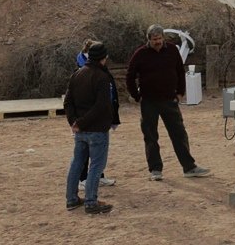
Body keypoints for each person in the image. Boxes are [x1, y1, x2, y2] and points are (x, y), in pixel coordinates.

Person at [126, 24, 210, 181]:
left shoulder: (172, 50)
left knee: (179, 134)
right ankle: (155, 170)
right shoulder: (140, 54)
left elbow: (180, 71)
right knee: (150, 136)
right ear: (148, 40)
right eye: (154, 39)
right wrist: (136, 96)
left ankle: (189, 167)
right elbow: (130, 76)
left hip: (170, 101)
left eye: (159, 38)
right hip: (149, 102)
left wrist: (180, 93)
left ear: (163, 38)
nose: (157, 42)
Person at [64, 43, 118, 214]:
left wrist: (75, 122)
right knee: (96, 165)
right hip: (96, 129)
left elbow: (68, 102)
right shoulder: (102, 77)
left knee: (77, 163)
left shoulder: (77, 74)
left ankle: (72, 199)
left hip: (80, 130)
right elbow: (102, 105)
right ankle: (91, 202)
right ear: (104, 57)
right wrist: (83, 122)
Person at [75, 40, 116, 188]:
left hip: (92, 118)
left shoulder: (96, 69)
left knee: (96, 153)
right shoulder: (84, 70)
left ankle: (98, 176)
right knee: (87, 153)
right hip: (90, 117)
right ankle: (84, 180)